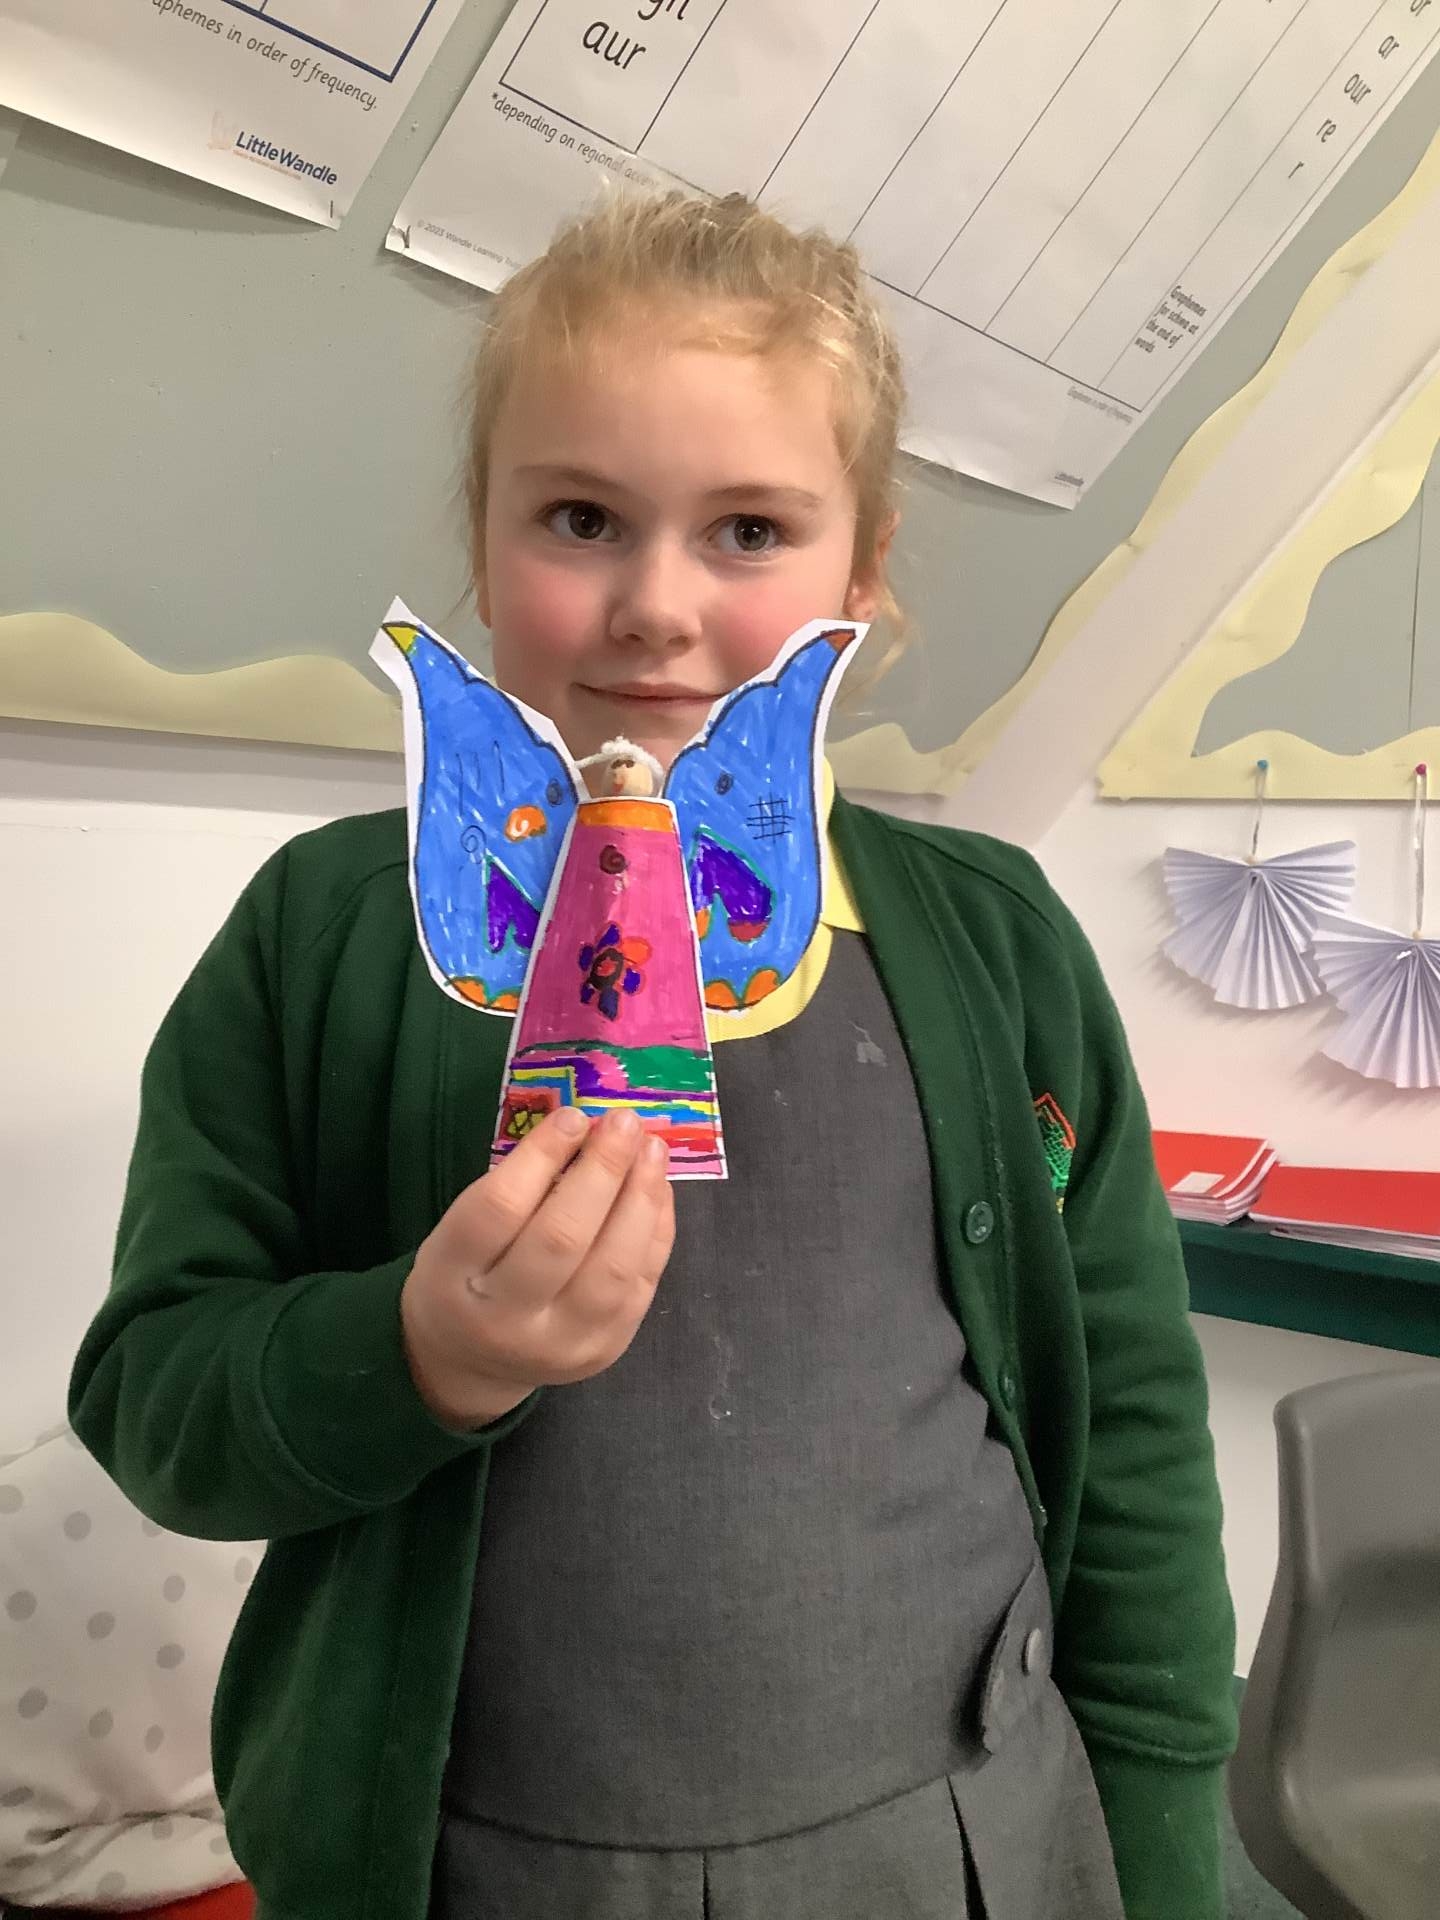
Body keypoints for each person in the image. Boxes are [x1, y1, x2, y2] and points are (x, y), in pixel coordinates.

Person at [69, 187, 1237, 1920]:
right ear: (485, 545)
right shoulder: (323, 934)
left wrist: (1165, 1845)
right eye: (582, 519)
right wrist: (417, 1353)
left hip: (965, 1847)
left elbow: (1133, 1436)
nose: (655, 607)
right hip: (475, 1865)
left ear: (864, 569)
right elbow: (155, 1398)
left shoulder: (995, 945)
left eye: (750, 529)